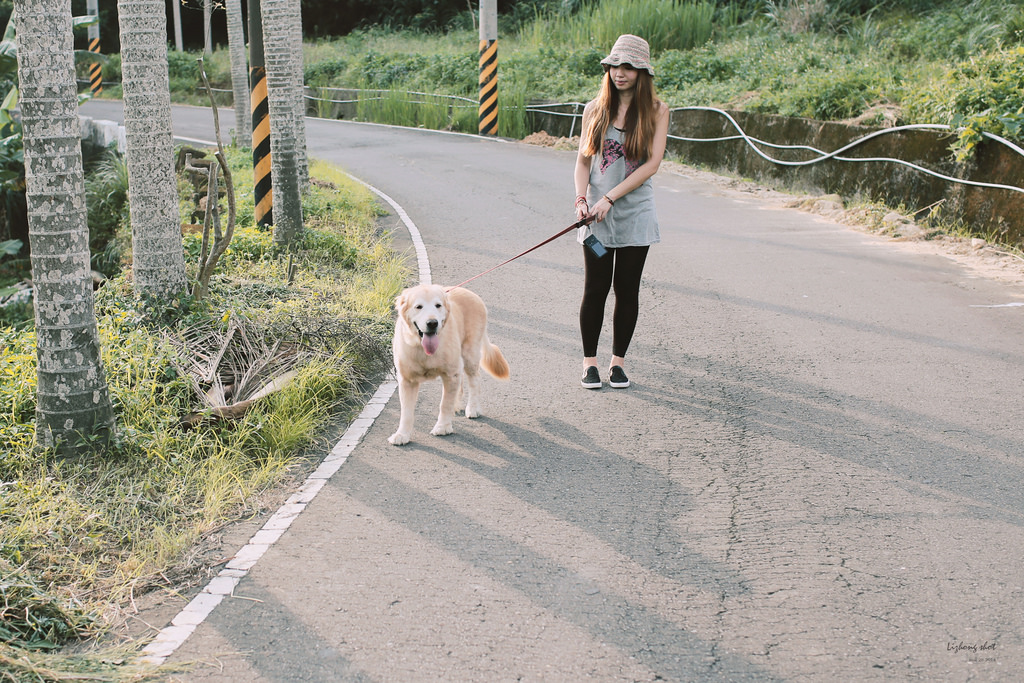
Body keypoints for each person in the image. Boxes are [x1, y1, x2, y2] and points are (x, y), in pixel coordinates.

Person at [573, 34, 669, 389]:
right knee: (595, 288)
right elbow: (583, 162)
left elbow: (652, 164)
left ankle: (617, 363)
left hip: (634, 213)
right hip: (594, 215)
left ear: (641, 72)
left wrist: (609, 197)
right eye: (615, 66)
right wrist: (581, 199)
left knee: (627, 288)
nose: (620, 73)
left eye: (628, 66)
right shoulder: (595, 108)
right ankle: (589, 363)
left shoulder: (657, 111)